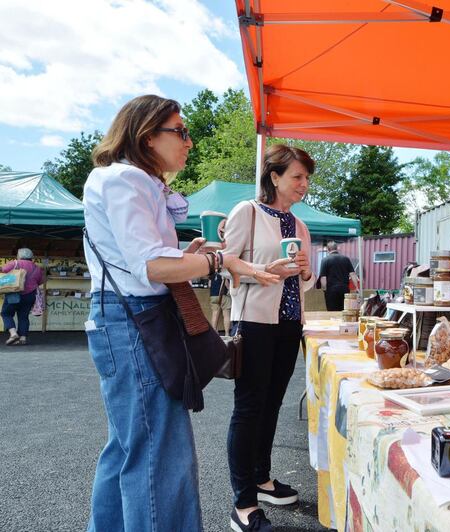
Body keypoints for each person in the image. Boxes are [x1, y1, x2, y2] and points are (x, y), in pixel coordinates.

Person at [82, 94, 278, 532]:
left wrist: (187, 255)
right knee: (159, 450)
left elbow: (144, 259)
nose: (189, 141)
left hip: (123, 316)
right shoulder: (127, 180)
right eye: (181, 131)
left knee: (130, 445)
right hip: (134, 319)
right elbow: (151, 267)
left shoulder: (127, 181)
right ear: (147, 135)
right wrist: (217, 260)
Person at [224, 144, 316, 532]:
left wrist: (306, 271)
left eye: (307, 178)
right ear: (274, 176)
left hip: (289, 323)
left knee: (273, 403)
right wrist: (263, 270)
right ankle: (243, 502)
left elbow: (305, 282)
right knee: (249, 408)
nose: (304, 185)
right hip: (255, 320)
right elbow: (226, 261)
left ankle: (262, 479)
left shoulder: (300, 225)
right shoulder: (247, 211)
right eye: (297, 176)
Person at [1, 248, 44, 345]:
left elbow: (2, 271)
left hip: (14, 293)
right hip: (30, 295)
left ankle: (13, 334)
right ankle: (23, 338)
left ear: (19, 255)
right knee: (23, 316)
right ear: (31, 257)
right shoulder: (37, 267)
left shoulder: (15, 263)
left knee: (6, 313)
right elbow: (40, 281)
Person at [319, 241, 356, 311]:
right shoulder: (346, 259)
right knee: (344, 311)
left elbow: (323, 278)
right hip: (345, 290)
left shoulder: (325, 260)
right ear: (337, 248)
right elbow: (353, 274)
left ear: (328, 249)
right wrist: (356, 288)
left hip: (331, 291)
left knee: (333, 312)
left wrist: (324, 289)